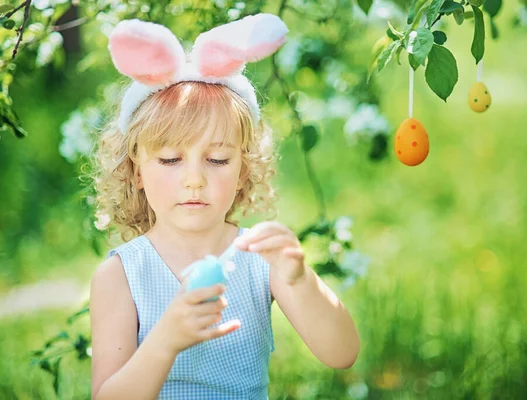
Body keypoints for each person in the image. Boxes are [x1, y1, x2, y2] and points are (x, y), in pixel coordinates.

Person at [89, 13, 360, 400]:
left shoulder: (258, 258)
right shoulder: (121, 275)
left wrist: (301, 281)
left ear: (243, 170)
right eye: (170, 160)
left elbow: (343, 353)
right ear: (136, 170)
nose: (195, 179)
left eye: (217, 159)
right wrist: (165, 340)